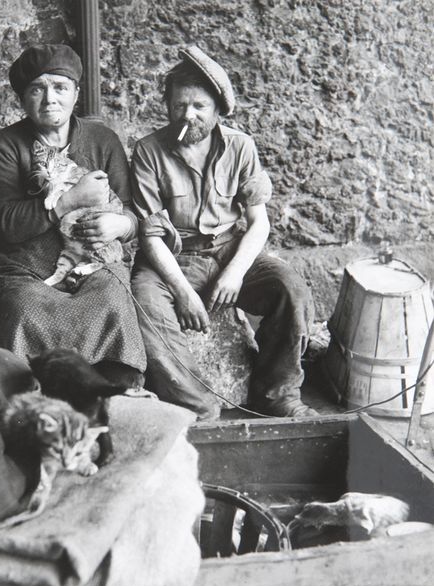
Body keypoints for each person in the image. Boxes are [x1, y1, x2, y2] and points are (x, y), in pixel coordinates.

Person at [130, 46, 316, 419]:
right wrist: (183, 293)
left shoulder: (240, 146)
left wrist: (235, 273)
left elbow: (259, 221)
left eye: (199, 106)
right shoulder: (149, 151)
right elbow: (150, 236)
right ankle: (198, 407)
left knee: (290, 288)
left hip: (230, 249)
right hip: (176, 256)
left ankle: (277, 394)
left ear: (218, 110)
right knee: (143, 302)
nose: (188, 115)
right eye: (180, 105)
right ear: (167, 106)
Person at [0, 43, 145, 386]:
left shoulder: (103, 140)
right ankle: (28, 395)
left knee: (113, 298)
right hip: (25, 267)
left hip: (94, 260)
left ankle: (115, 392)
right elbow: (9, 224)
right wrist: (68, 201)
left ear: (76, 94)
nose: (49, 99)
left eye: (60, 87)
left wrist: (121, 224)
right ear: (22, 99)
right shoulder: (7, 144)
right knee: (24, 307)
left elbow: (132, 212)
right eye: (36, 89)